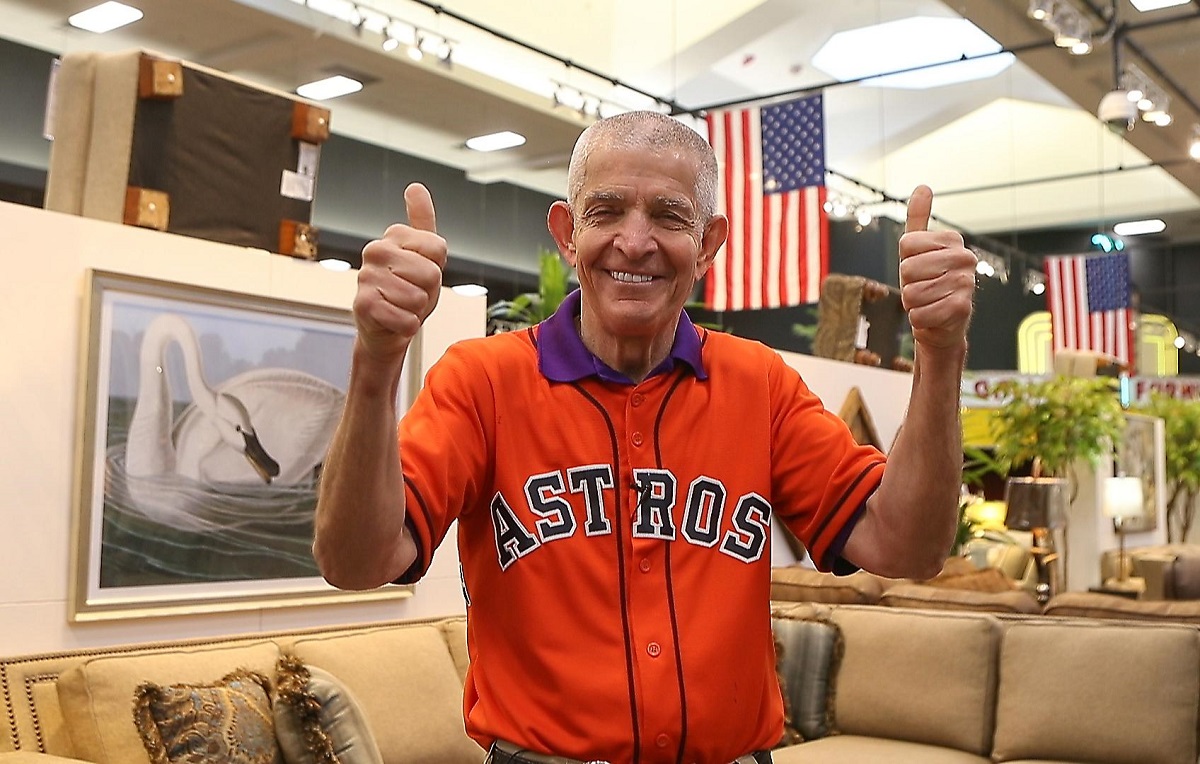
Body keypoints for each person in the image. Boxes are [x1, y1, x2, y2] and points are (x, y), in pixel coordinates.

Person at [313, 110, 977, 764]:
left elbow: (907, 546)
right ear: (567, 234)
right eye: (606, 212)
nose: (635, 242)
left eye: (668, 215)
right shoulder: (484, 381)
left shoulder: (759, 386)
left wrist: (940, 350)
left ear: (709, 244)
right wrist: (377, 360)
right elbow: (355, 560)